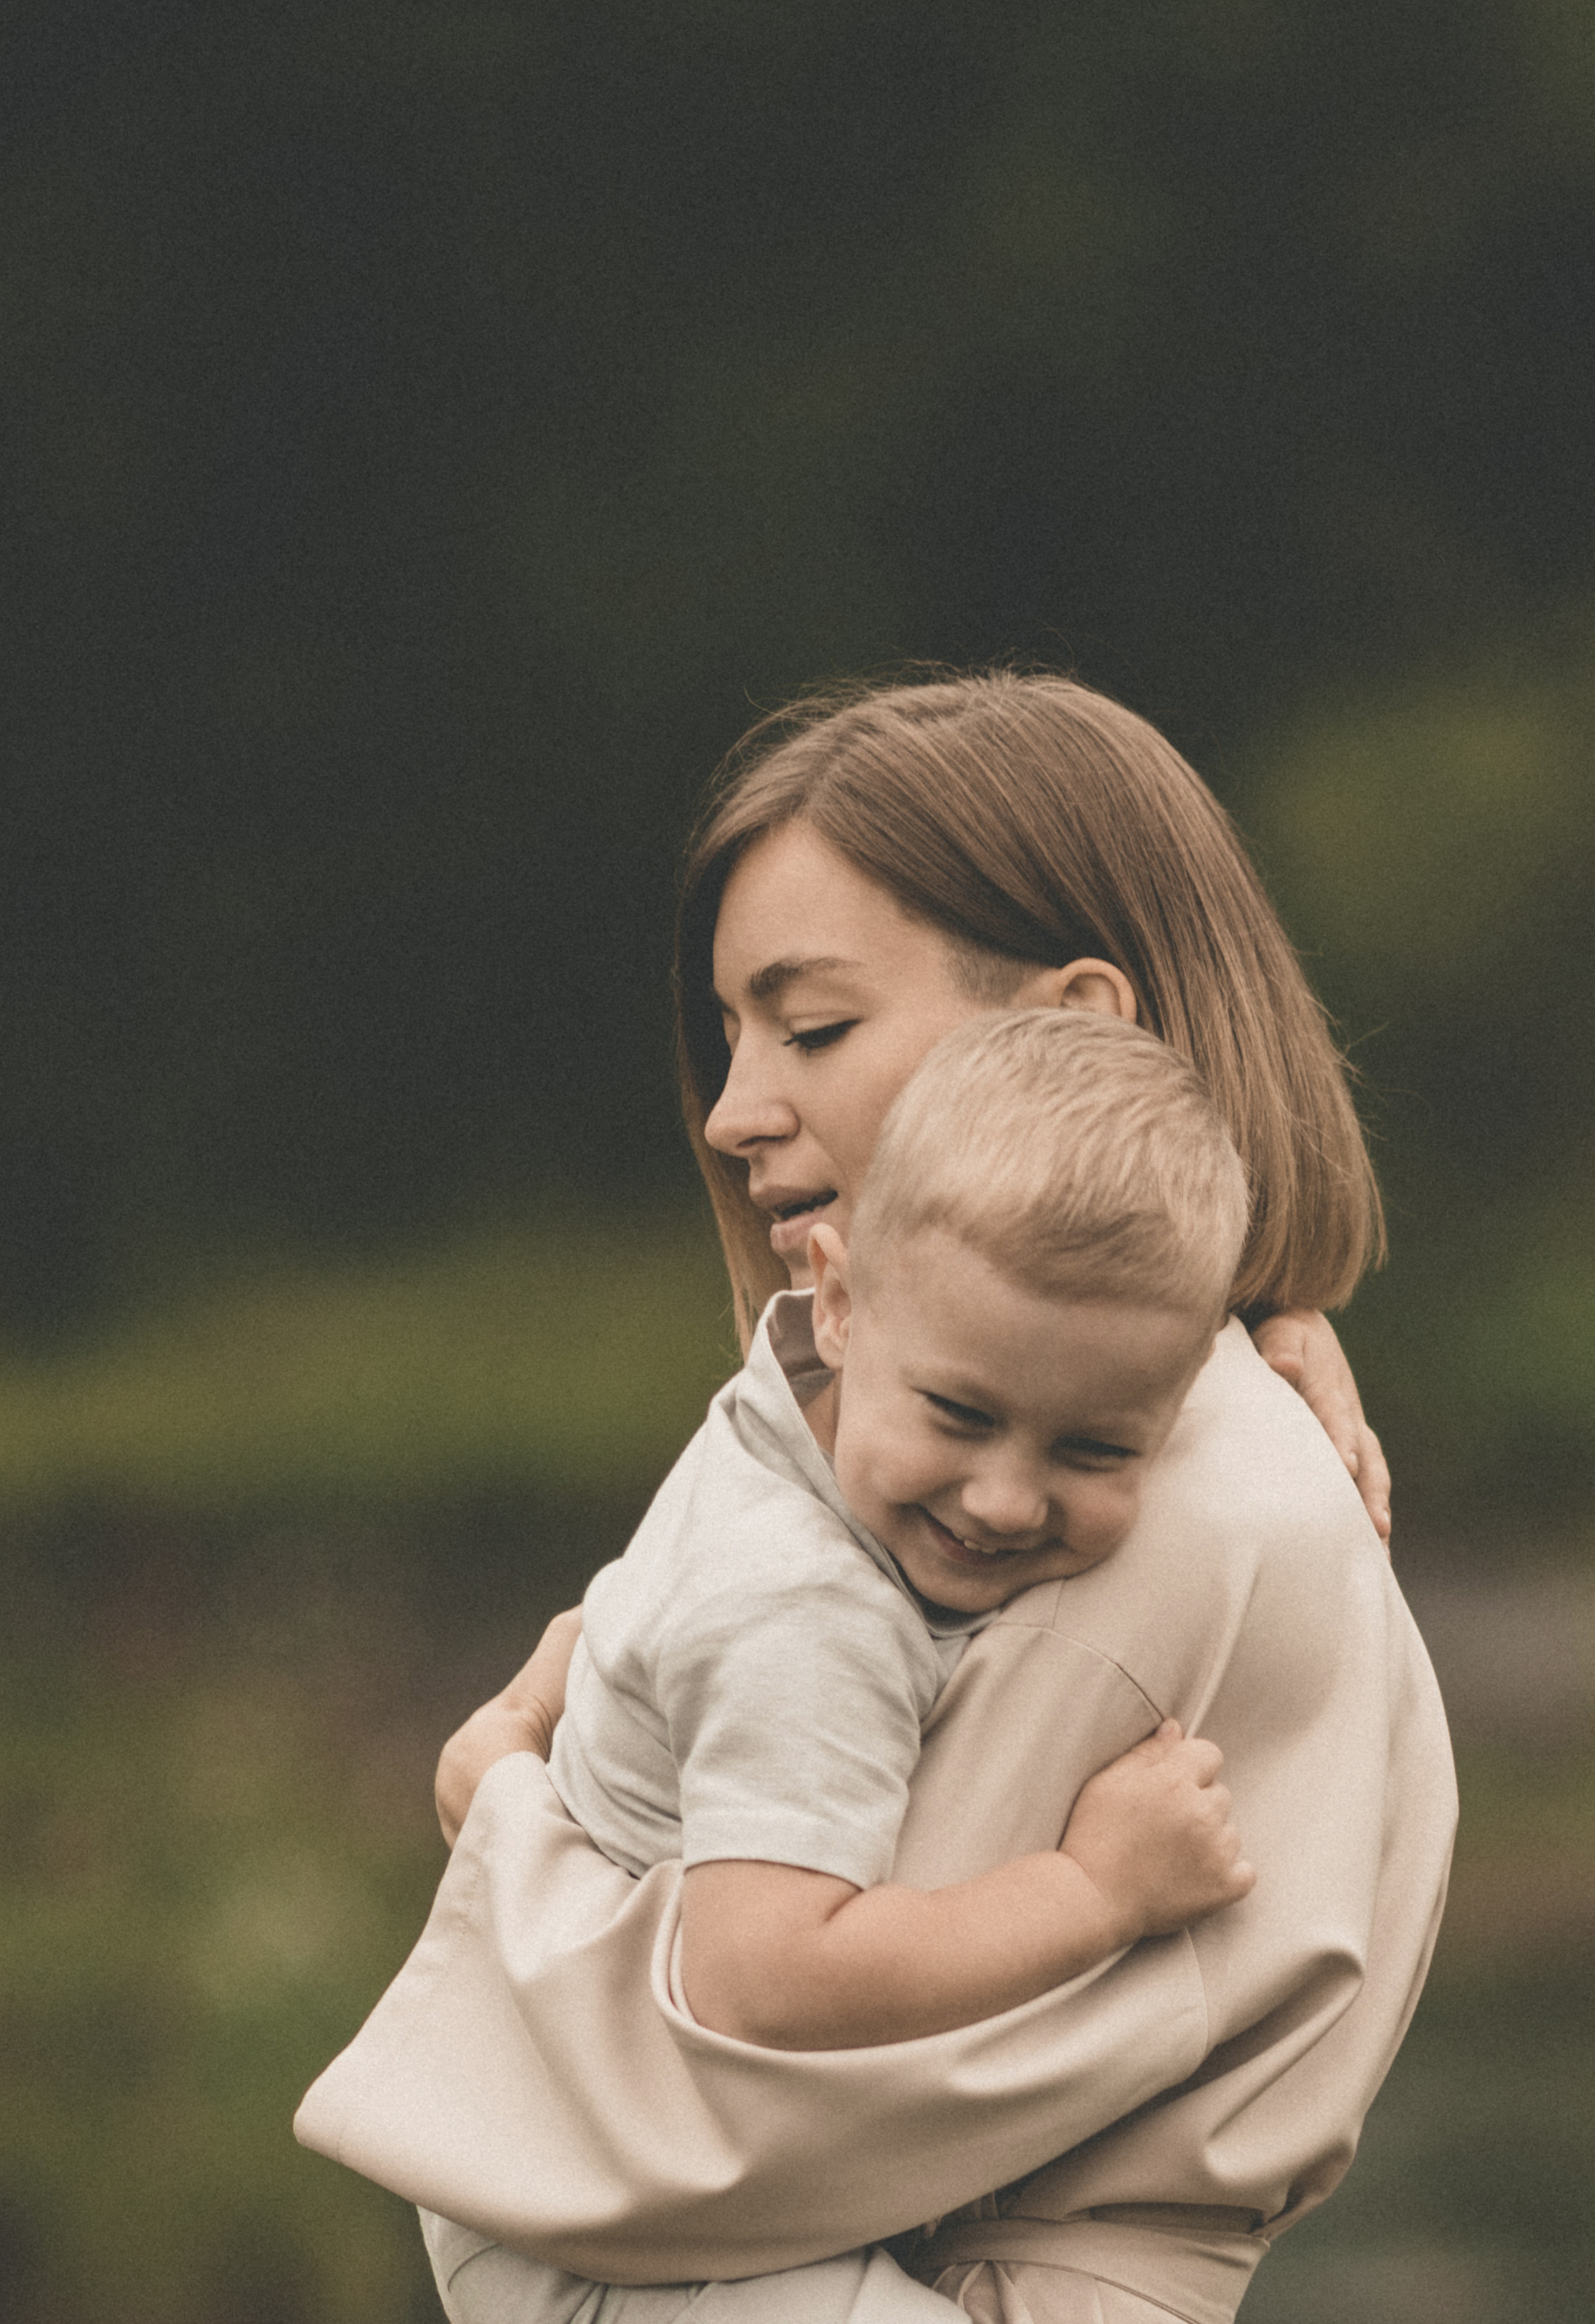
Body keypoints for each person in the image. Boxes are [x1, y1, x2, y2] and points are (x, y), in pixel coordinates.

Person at [296, 672, 1454, 2324]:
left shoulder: (1148, 1514)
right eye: (729, 1036)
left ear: (1077, 1029)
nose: (730, 1108)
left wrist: (504, 1812)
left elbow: (712, 2105)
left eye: (813, 1026)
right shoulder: (1091, 1442)